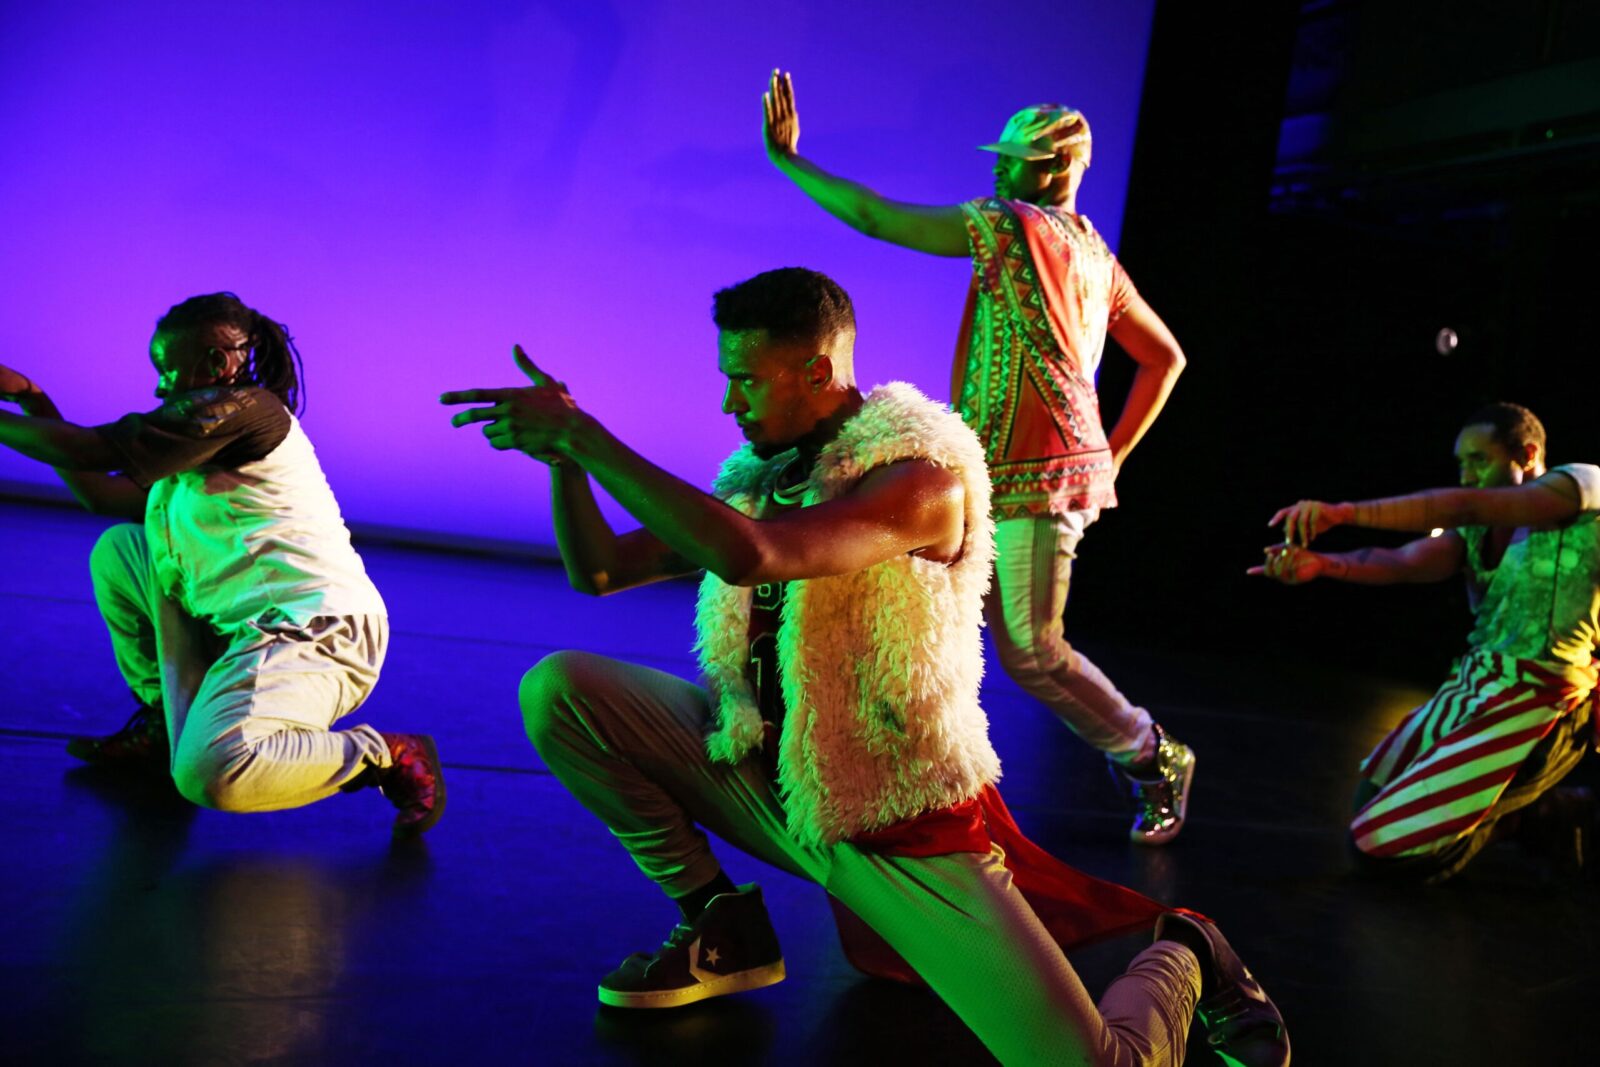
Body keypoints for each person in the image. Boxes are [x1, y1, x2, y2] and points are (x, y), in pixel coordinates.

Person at [442, 268, 1287, 1065]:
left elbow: (755, 556)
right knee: (560, 690)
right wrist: (567, 464)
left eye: (749, 379)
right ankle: (720, 922)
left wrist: (589, 437)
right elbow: (598, 572)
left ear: (816, 370)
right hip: (776, 783)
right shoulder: (765, 474)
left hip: (896, 817)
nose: (731, 402)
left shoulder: (922, 479)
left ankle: (1187, 954)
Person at [759, 70, 1194, 844]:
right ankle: (909, 774)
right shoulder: (1093, 250)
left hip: (1039, 474)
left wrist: (790, 162)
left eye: (1015, 159)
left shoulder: (1015, 226)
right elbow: (1165, 359)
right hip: (1011, 467)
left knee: (1031, 650)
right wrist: (1113, 455)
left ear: (1055, 169)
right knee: (943, 619)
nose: (996, 169)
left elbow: (873, 217)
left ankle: (1150, 752)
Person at [0, 292, 443, 834]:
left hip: (314, 631)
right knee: (121, 550)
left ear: (216, 363)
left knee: (210, 774)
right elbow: (100, 493)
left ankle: (386, 754)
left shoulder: (248, 409)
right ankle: (168, 719)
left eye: (167, 368)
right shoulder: (196, 444)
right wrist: (33, 402)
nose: (160, 384)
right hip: (242, 626)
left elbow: (95, 448)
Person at [1251, 402, 1598, 882]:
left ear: (1528, 453)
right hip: (1478, 684)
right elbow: (1408, 562)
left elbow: (1462, 503)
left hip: (1542, 701)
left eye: (1481, 460)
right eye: (1461, 463)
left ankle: (1534, 817)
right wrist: (1324, 565)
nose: (1468, 474)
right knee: (1369, 799)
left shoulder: (1581, 487)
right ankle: (1538, 812)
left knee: (1380, 847)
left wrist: (1343, 513)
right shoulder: (1476, 529)